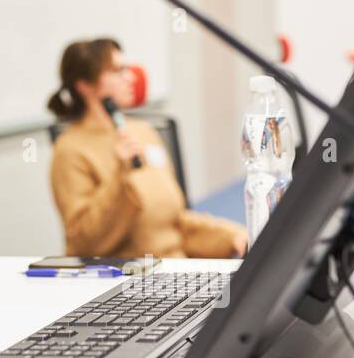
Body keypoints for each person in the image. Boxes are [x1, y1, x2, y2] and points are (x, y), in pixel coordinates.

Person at [47, 38, 247, 259]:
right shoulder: (70, 151)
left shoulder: (143, 132)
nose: (131, 77)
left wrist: (231, 235)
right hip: (128, 278)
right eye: (118, 71)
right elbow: (86, 242)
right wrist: (119, 174)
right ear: (84, 85)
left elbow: (174, 222)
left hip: (175, 269)